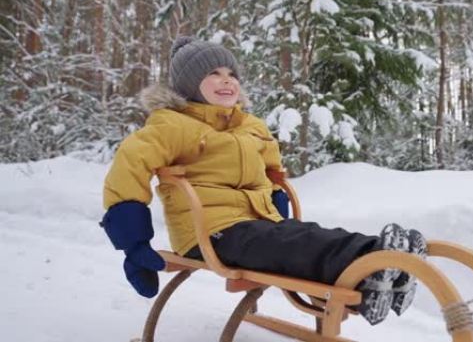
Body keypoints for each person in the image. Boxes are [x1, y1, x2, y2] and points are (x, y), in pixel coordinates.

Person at [99, 36, 427, 325]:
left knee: (305, 235)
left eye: (231, 74)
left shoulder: (250, 126)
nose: (226, 81)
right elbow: (128, 170)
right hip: (211, 232)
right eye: (212, 73)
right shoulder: (171, 126)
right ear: (187, 85)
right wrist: (134, 244)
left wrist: (277, 207)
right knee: (290, 243)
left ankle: (384, 266)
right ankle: (369, 266)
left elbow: (271, 170)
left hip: (258, 223)